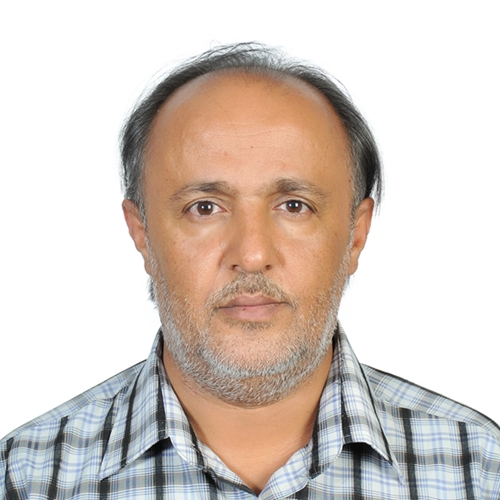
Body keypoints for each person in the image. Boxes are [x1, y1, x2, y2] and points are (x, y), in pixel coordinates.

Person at [1, 43, 499, 500]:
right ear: (143, 234)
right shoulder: (25, 479)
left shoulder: (479, 470)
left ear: (355, 235)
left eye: (294, 205)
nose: (253, 253)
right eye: (204, 207)